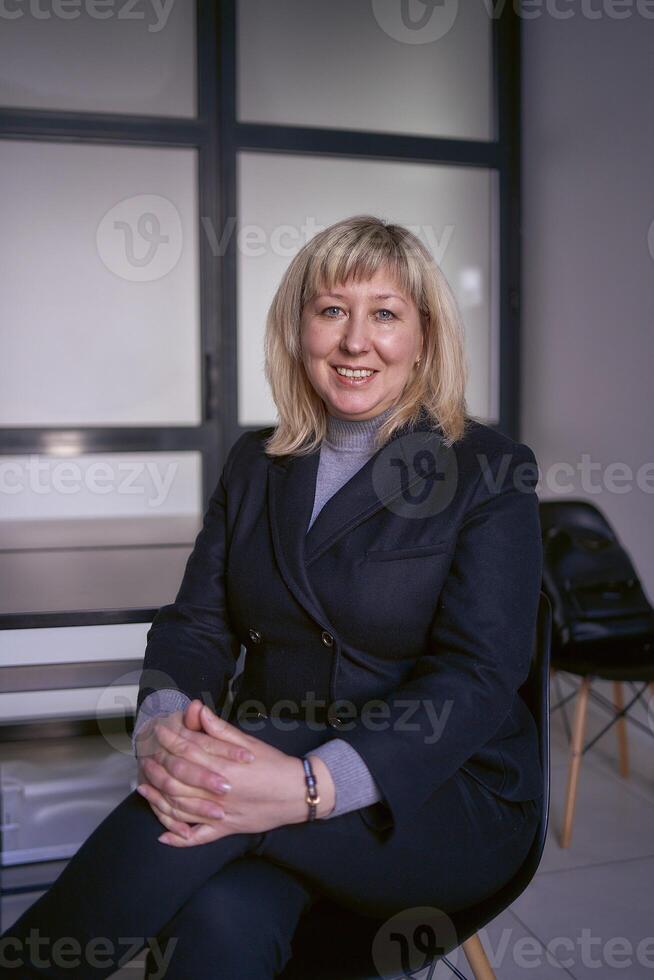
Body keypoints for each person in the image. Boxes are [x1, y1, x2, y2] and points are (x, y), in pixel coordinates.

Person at [1, 215, 543, 978]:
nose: (356, 341)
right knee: (221, 921)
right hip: (260, 778)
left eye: (385, 314)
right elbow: (196, 623)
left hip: (438, 797)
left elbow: (480, 676)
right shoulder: (255, 462)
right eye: (332, 311)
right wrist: (162, 726)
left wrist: (309, 785)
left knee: (209, 789)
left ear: (424, 336)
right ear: (299, 330)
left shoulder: (488, 468)